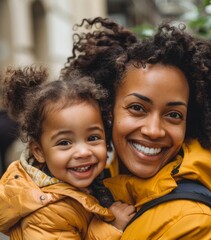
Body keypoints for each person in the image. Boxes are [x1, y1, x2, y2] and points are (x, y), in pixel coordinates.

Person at [61, 17, 211, 239]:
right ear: (108, 110)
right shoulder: (99, 180)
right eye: (137, 108)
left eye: (174, 115)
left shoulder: (194, 223)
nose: (154, 130)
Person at [0, 66, 135, 239]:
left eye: (93, 138)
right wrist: (111, 228)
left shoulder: (89, 184)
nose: (83, 152)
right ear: (38, 151)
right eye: (64, 142)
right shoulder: (47, 212)